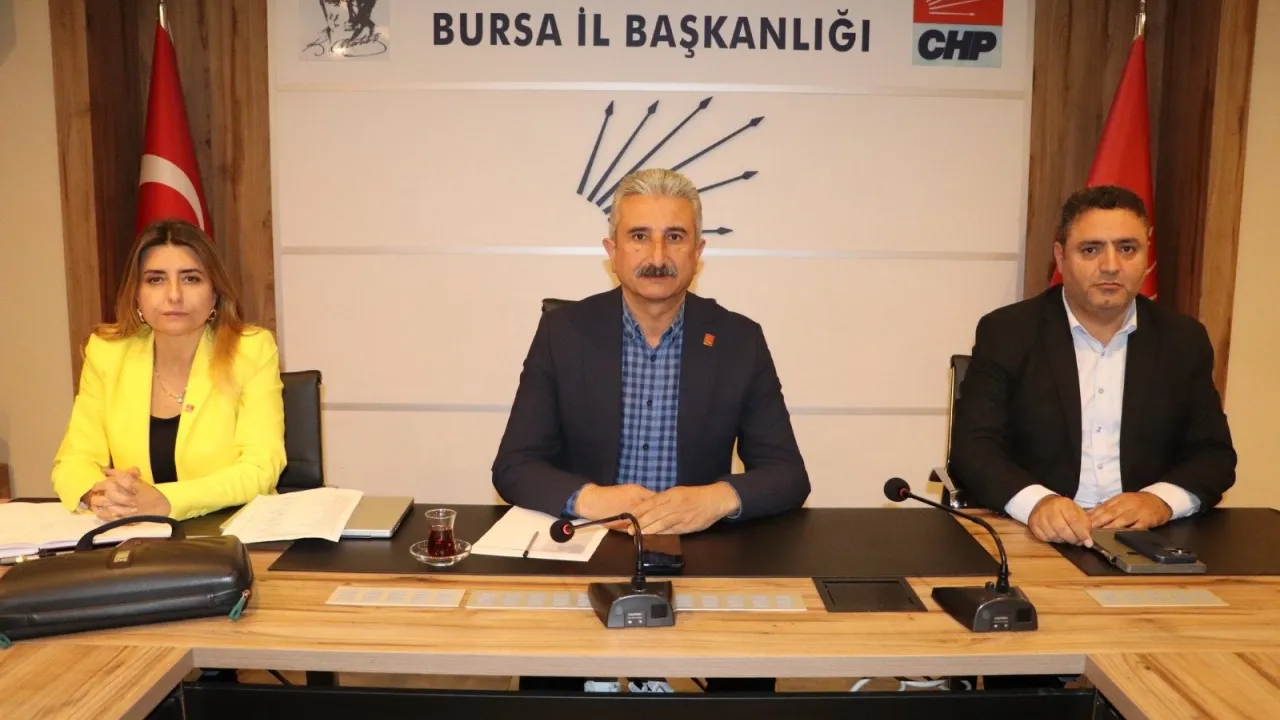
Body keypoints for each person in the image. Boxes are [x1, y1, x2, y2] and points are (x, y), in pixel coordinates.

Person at [492, 168, 809, 692]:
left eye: (675, 237)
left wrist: (716, 498)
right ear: (612, 250)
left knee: (748, 691)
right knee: (550, 699)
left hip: (698, 550)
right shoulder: (563, 333)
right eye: (639, 236)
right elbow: (514, 466)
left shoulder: (739, 339)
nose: (657, 255)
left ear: (698, 252)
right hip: (589, 547)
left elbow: (788, 474)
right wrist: (592, 499)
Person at [949, 185, 1236, 546]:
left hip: (1148, 539)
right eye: (1091, 249)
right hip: (1033, 536)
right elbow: (974, 448)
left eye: (1127, 248)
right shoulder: (1008, 332)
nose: (1111, 265)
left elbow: (1213, 455)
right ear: (1061, 257)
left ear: (1147, 256)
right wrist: (1037, 503)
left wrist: (1160, 501)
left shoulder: (1183, 340)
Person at [52, 219, 287, 522]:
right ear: (136, 294)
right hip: (136, 534)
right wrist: (98, 493)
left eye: (190, 279)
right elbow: (74, 460)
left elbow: (261, 468)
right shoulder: (107, 353)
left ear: (215, 293)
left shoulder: (251, 351)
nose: (174, 295)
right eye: (156, 280)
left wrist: (166, 500)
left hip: (233, 532)